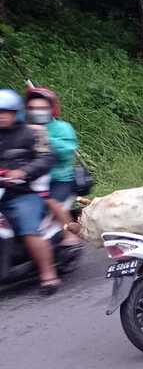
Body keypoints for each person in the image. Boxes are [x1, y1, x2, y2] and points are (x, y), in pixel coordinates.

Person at [0, 89, 57, 292]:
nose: (1, 116)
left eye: (5, 111)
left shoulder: (32, 133)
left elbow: (47, 158)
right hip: (1, 194)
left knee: (28, 228)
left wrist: (23, 172)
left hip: (23, 194)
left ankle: (48, 275)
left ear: (16, 112)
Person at [24, 86, 81, 246]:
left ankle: (70, 234)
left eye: (42, 108)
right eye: (32, 108)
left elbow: (66, 153)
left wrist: (43, 134)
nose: (37, 112)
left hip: (59, 179)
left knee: (51, 202)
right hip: (28, 178)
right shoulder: (21, 128)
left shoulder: (63, 128)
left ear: (52, 108)